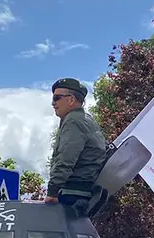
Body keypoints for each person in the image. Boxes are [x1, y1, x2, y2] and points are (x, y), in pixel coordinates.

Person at [45, 78, 108, 209]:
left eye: (57, 98)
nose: (53, 103)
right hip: (83, 192)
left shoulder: (73, 121)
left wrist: (52, 192)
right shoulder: (86, 119)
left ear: (71, 100)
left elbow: (66, 158)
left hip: (72, 193)